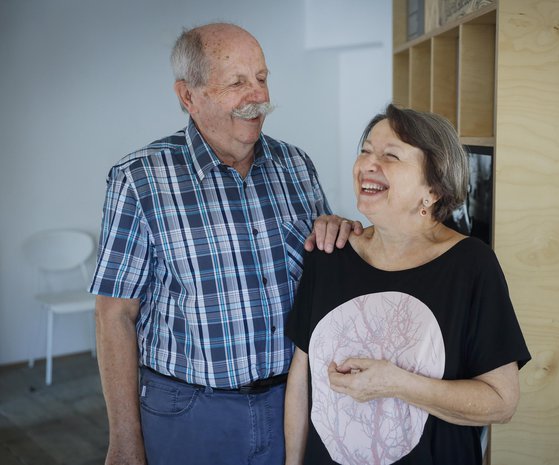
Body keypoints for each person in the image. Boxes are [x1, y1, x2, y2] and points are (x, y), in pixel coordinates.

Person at [90, 23, 360, 465]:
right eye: (237, 83)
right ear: (188, 96)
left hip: (292, 401)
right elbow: (114, 314)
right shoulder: (140, 179)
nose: (257, 95)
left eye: (261, 78)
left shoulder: (296, 165)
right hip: (190, 412)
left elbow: (322, 272)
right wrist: (122, 440)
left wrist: (340, 231)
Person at [284, 104, 531, 465]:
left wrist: (397, 384)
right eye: (366, 150)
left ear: (432, 189)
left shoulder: (471, 266)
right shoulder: (328, 255)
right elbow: (301, 381)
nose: (368, 163)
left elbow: (501, 402)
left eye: (390, 155)